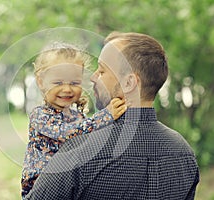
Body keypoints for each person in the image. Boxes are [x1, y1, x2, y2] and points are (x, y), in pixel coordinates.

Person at [25, 32, 200, 200]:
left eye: (101, 71)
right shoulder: (184, 153)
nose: (93, 78)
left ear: (129, 82)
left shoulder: (78, 151)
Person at [21, 42, 127, 199]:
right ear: (41, 82)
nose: (67, 89)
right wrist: (106, 116)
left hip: (68, 185)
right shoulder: (40, 116)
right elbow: (66, 133)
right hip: (41, 189)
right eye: (58, 83)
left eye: (74, 83)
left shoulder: (78, 116)